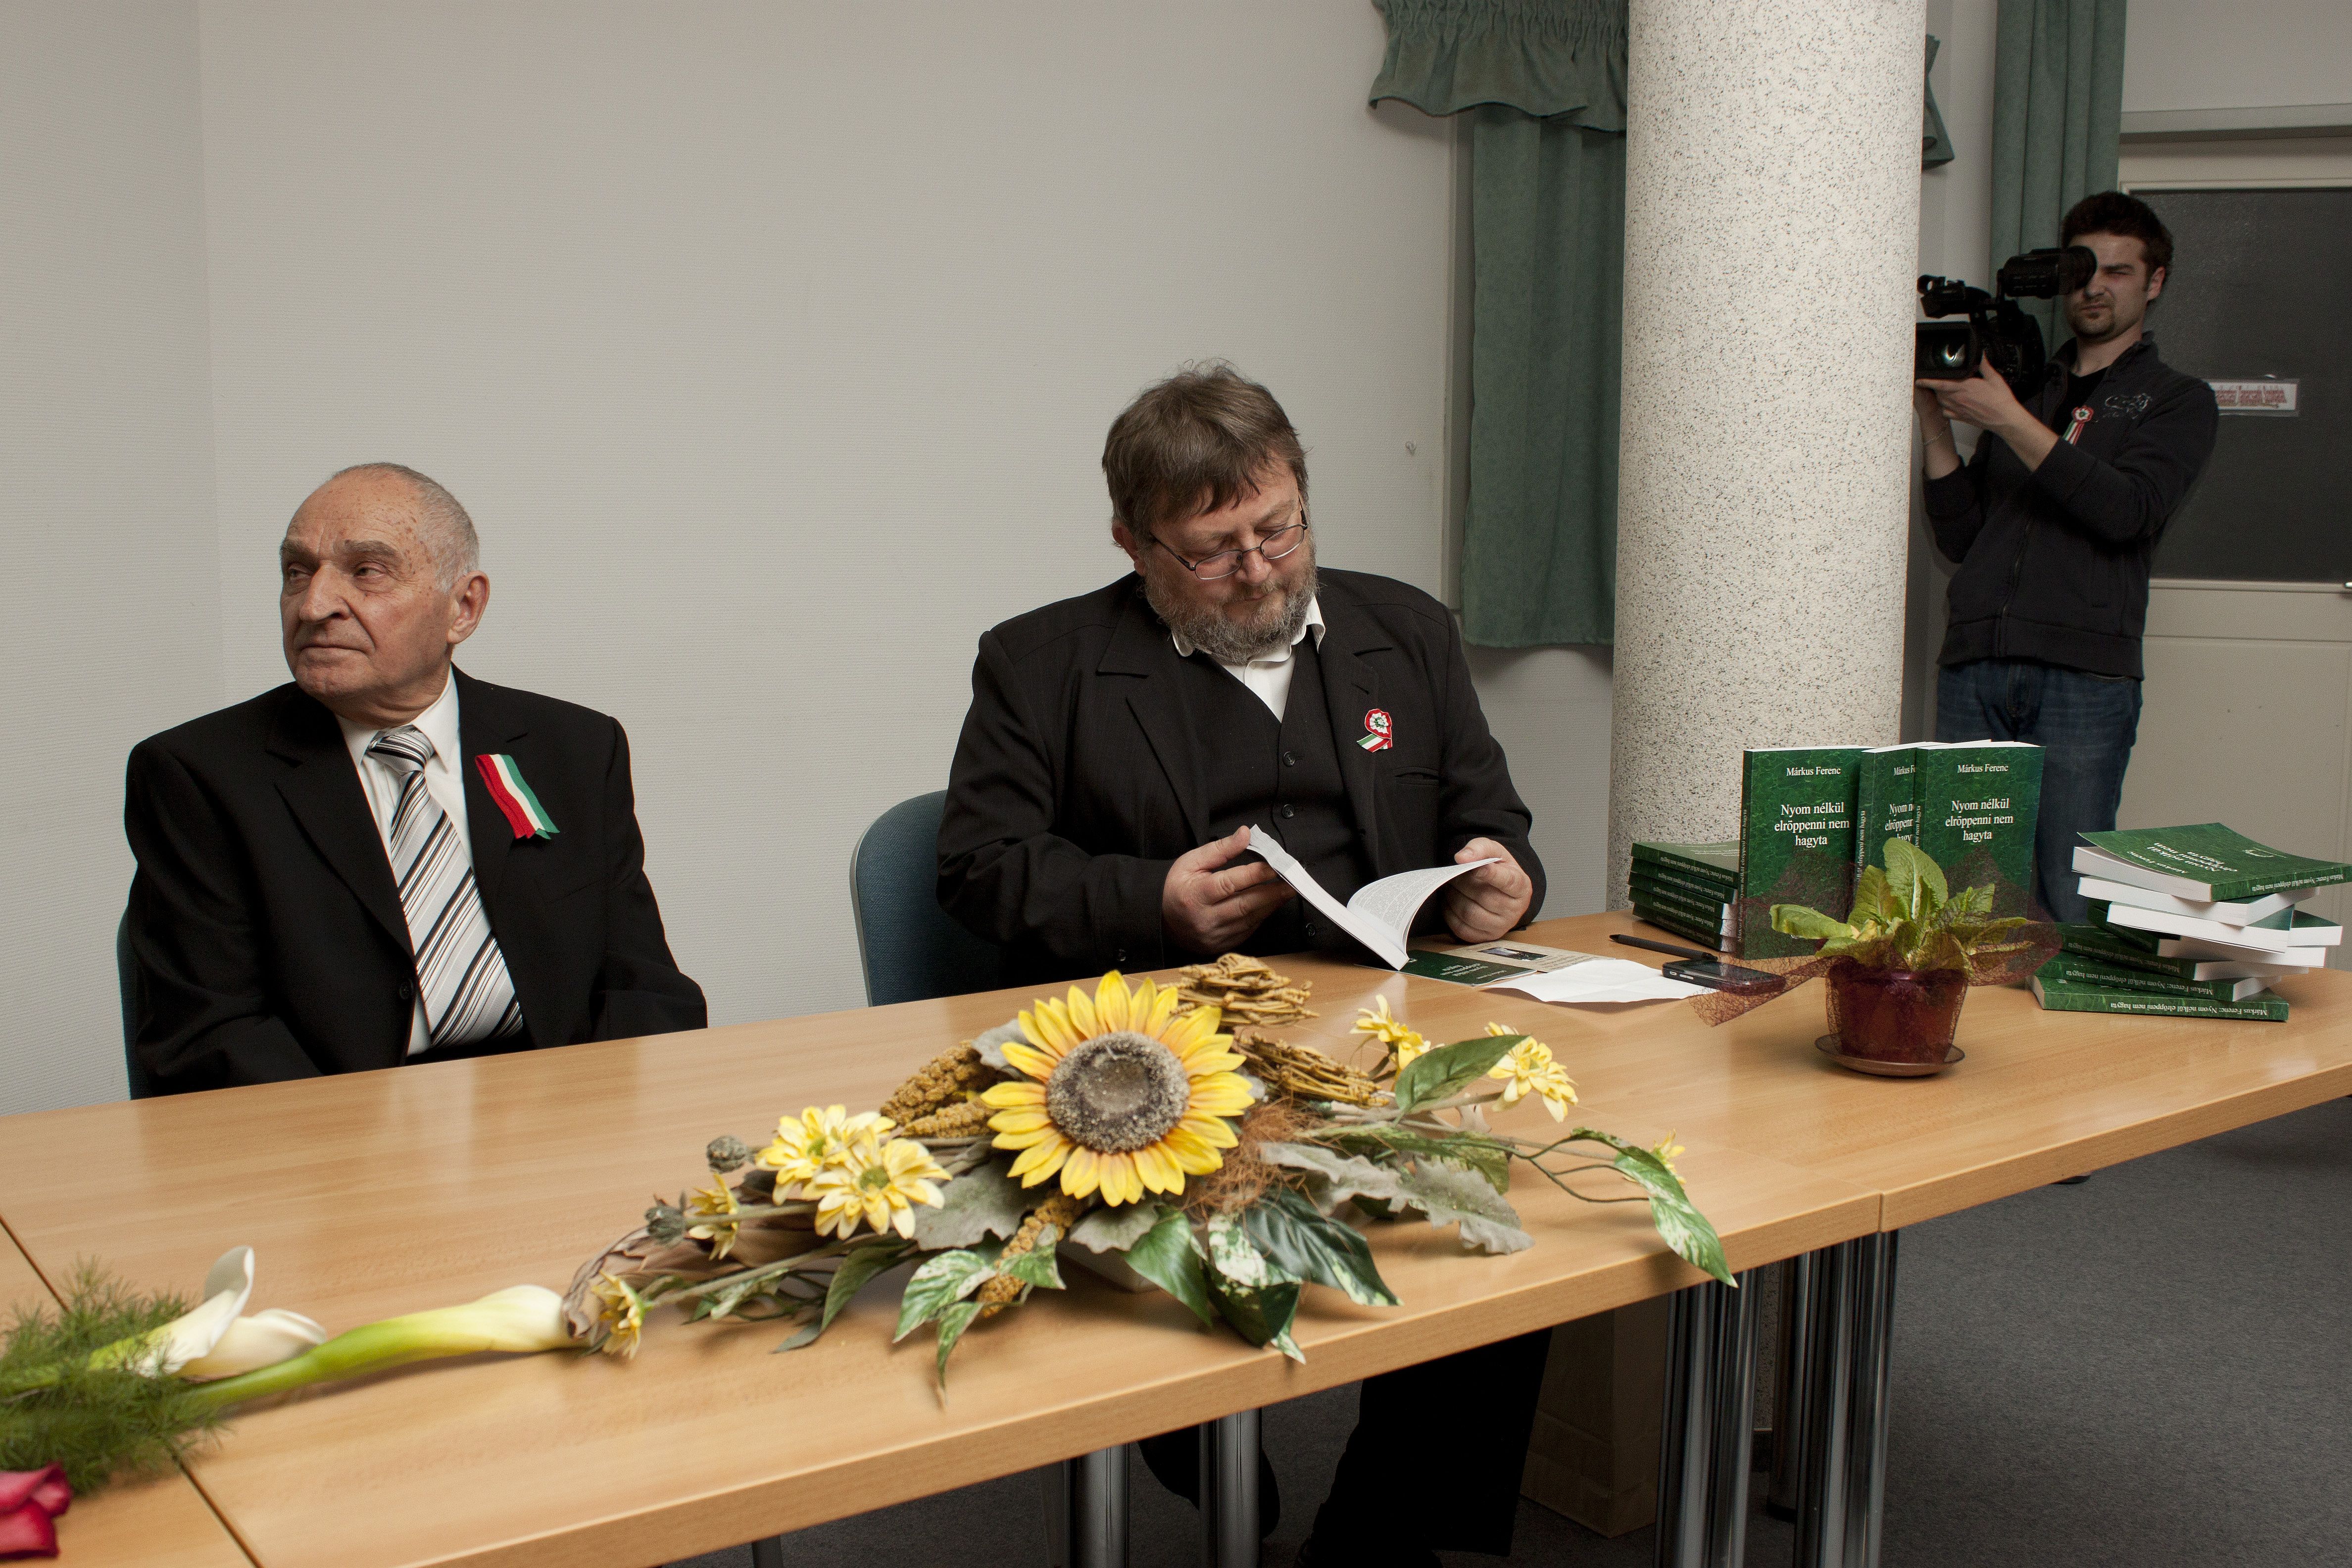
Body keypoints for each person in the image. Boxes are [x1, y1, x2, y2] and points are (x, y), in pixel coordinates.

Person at [938, 364, 1547, 1567]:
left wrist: (1504, 875)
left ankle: (1379, 1534)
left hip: (1385, 1031)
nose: (1261, 570)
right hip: (1160, 1056)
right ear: (1134, 543)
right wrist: (1152, 899)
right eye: (1214, 551)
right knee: (1175, 1236)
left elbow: (1491, 816)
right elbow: (976, 869)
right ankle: (1199, 1443)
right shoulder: (1041, 662)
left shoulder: (1406, 631)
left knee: (1509, 1208)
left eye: (1281, 529)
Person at [124, 463, 705, 1092]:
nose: (314, 605)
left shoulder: (574, 747)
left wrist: (606, 1117)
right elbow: (211, 1036)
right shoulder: (199, 775)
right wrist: (374, 1140)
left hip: (558, 1100)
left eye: (367, 571)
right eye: (297, 572)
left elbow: (642, 986)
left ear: (463, 607)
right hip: (337, 1122)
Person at [1916, 191, 2219, 923]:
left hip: (2084, 678)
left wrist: (2007, 420)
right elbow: (1963, 541)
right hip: (1975, 665)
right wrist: (1935, 424)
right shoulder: (2023, 389)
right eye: (2083, 270)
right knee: (1960, 892)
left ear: (2155, 281)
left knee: (2068, 894)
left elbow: (2127, 512)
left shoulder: (2176, 399)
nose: (2095, 287)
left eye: (2118, 271)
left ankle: (2066, 1002)